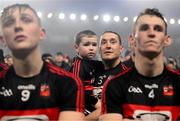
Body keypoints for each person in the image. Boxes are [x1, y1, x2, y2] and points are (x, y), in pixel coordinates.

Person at [0, 4, 84, 121]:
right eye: (9, 22)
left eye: (26, 20)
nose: (18, 26)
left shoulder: (68, 83)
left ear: (41, 33)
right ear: (2, 39)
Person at [100, 8, 180, 121]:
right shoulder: (114, 85)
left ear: (167, 40)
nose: (151, 33)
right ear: (132, 40)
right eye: (144, 28)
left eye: (158, 29)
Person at [69, 29, 103, 121]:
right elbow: (78, 90)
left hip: (89, 102)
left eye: (94, 45)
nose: (91, 48)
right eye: (86, 44)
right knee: (107, 109)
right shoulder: (78, 65)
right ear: (76, 48)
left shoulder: (90, 63)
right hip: (81, 106)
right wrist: (97, 102)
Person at [93, 31, 127, 99]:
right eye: (103, 42)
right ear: (99, 50)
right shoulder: (89, 71)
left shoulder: (127, 76)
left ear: (121, 49)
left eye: (113, 42)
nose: (108, 46)